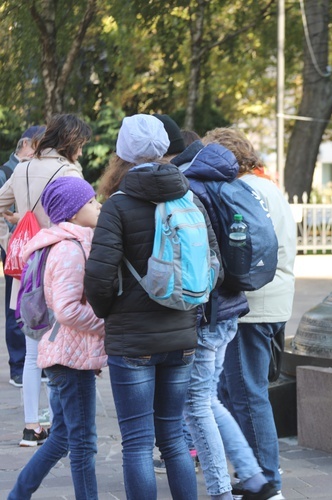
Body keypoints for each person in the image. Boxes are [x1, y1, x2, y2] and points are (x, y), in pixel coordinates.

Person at [83, 114, 219, 500]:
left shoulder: (117, 205)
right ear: (164, 149)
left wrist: (110, 311)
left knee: (139, 444)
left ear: (121, 154)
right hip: (182, 336)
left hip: (133, 342)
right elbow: (214, 267)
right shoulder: (188, 196)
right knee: (174, 439)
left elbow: (98, 277)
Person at [172, 138, 277, 500]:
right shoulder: (231, 184)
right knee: (208, 400)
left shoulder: (191, 189)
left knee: (197, 404)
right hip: (232, 305)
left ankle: (224, 489)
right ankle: (252, 477)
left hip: (208, 311)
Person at [205, 128, 296, 497]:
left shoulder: (239, 190)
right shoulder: (269, 187)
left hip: (250, 306)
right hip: (274, 301)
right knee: (240, 391)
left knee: (246, 394)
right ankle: (254, 475)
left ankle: (266, 484)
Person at [9, 177, 106, 500]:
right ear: (74, 211)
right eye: (91, 202)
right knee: (82, 443)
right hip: (68, 357)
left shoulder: (68, 242)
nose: (98, 206)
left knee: (62, 437)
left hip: (65, 353)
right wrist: (106, 325)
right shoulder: (68, 248)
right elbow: (66, 310)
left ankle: (19, 494)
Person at [0, 114, 91, 446]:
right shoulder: (68, 172)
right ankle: (58, 422)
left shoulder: (22, 167)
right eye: (80, 144)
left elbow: (0, 201)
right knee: (59, 349)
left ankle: (30, 427)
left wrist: (16, 222)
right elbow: (82, 215)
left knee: (31, 349)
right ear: (70, 142)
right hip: (58, 264)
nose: (81, 152)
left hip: (26, 267)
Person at [2, 125, 44, 388]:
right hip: (17, 256)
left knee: (33, 307)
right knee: (16, 310)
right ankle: (18, 366)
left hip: (34, 251)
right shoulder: (8, 171)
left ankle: (32, 364)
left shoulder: (36, 169)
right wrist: (8, 243)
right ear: (27, 143)